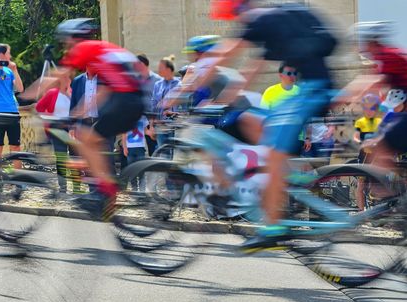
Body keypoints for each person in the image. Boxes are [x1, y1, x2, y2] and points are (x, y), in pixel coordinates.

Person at [174, 0, 337, 250]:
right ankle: (288, 182)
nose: (236, 23)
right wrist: (224, 100)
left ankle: (273, 228)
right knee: (270, 141)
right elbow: (252, 71)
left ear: (239, 10)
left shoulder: (259, 19)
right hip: (314, 88)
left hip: (313, 91)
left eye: (233, 17)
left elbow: (226, 53)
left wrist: (188, 92)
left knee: (271, 154)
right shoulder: (273, 26)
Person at [27, 18, 144, 220]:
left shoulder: (85, 48)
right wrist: (78, 113)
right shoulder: (103, 50)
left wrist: (26, 96)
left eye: (66, 41)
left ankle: (106, 189)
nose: (66, 46)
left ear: (75, 38)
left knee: (87, 139)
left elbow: (58, 76)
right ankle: (103, 188)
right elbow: (103, 92)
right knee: (89, 142)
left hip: (125, 101)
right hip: (133, 100)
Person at [35, 73, 81, 193]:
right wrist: (48, 118)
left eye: (67, 77)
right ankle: (63, 187)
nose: (66, 80)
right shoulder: (52, 93)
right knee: (61, 158)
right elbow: (38, 108)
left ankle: (77, 187)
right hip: (57, 128)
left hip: (72, 128)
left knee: (75, 157)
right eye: (64, 78)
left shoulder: (73, 93)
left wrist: (68, 93)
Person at [353, 94, 382, 210]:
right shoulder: (360, 122)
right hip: (364, 154)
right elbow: (356, 137)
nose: (369, 111)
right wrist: (361, 142)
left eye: (372, 108)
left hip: (378, 155)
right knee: (361, 184)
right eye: (366, 108)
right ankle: (361, 211)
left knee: (377, 182)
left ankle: (378, 209)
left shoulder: (380, 121)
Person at [151, 55, 180, 152]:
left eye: (160, 68)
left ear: (168, 69)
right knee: (162, 153)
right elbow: (153, 105)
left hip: (175, 125)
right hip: (160, 125)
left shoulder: (179, 84)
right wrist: (151, 126)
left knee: (174, 154)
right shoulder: (157, 85)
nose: (158, 70)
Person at [136, 53, 161, 156]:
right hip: (138, 120)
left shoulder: (157, 80)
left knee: (154, 149)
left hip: (153, 119)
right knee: (137, 151)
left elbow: (160, 101)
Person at [121, 116, 151, 191]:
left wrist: (151, 132)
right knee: (132, 170)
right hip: (130, 148)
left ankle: (142, 190)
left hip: (140, 148)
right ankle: (134, 189)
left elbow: (146, 131)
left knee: (141, 169)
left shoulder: (143, 118)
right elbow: (124, 134)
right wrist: (124, 147)